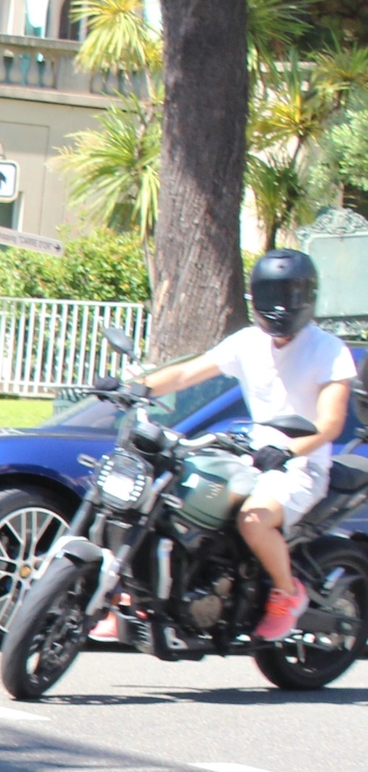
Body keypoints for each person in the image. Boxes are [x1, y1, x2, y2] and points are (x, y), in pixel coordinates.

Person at [135, 250, 358, 643]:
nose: (280, 304)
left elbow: (330, 425)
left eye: (289, 292)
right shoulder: (247, 342)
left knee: (253, 520)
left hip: (301, 466)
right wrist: (137, 387)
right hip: (251, 458)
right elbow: (188, 372)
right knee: (166, 496)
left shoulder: (329, 351)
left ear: (307, 296)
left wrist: (290, 450)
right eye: (271, 292)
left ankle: (288, 593)